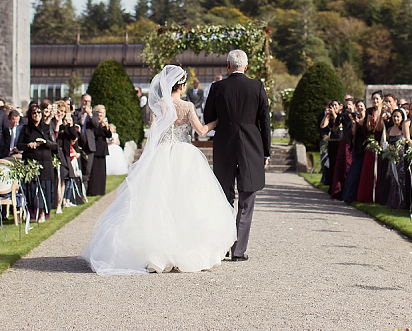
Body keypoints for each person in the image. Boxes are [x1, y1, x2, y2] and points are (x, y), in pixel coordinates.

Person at [81, 64, 233, 274]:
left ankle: (156, 251)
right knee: (186, 202)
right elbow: (202, 131)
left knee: (158, 201)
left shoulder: (157, 106)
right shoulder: (187, 107)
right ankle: (185, 251)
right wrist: (217, 121)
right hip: (183, 154)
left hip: (161, 153)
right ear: (181, 84)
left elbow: (153, 134)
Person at [205, 49, 271, 262]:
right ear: (246, 66)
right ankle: (239, 250)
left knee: (225, 197)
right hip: (251, 146)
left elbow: (208, 117)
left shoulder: (217, 87)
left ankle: (224, 246)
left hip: (224, 144)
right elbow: (265, 122)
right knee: (247, 198)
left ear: (228, 66)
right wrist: (266, 152)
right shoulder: (257, 86)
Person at [18, 103, 58, 223]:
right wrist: (28, 145)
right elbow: (18, 145)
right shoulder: (26, 129)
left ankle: (42, 213)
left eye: (39, 113)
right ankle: (32, 212)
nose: (37, 115)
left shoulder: (46, 127)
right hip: (31, 163)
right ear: (30, 115)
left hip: (45, 163)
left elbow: (55, 145)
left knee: (43, 189)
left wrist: (44, 142)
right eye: (34, 113)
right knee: (31, 189)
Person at [355, 92, 384, 203]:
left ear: (381, 99)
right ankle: (367, 195)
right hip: (371, 142)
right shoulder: (369, 112)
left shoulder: (384, 112)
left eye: (377, 99)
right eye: (373, 99)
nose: (375, 101)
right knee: (368, 169)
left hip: (381, 141)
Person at [382, 108, 412, 210]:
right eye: (394, 116)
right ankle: (394, 201)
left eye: (398, 116)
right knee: (393, 179)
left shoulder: (403, 129)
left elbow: (407, 140)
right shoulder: (390, 130)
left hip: (401, 157)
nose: (395, 118)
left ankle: (403, 201)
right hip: (392, 157)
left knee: (401, 179)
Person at [86, 105, 111, 197]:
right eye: (99, 113)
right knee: (94, 172)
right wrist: (101, 126)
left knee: (101, 172)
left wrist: (107, 127)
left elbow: (108, 135)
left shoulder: (104, 123)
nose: (101, 115)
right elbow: (96, 133)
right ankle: (93, 190)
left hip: (102, 149)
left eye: (102, 113)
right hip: (95, 148)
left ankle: (101, 190)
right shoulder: (94, 123)